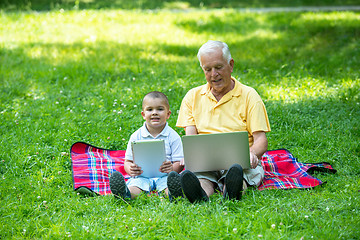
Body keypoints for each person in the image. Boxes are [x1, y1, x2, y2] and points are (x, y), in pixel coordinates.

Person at [167, 40, 271, 203]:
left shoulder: (250, 96)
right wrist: (190, 157)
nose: (213, 74)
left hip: (239, 161)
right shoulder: (192, 97)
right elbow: (191, 139)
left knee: (238, 173)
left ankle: (232, 190)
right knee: (200, 176)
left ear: (231, 65)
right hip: (206, 160)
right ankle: (200, 195)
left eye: (218, 67)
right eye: (207, 70)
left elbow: (261, 140)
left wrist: (251, 154)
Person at [109, 91, 184, 200]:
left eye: (160, 109)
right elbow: (127, 161)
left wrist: (172, 168)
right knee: (136, 186)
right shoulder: (136, 136)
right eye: (150, 110)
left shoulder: (173, 136)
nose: (155, 113)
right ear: (143, 114)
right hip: (142, 175)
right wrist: (130, 169)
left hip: (165, 176)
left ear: (168, 114)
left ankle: (174, 194)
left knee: (169, 186)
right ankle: (124, 193)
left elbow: (180, 162)